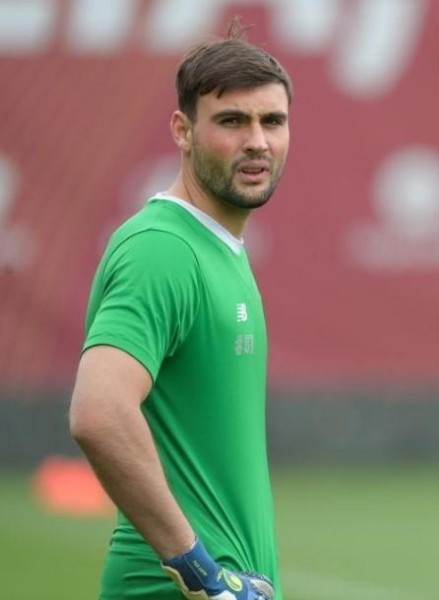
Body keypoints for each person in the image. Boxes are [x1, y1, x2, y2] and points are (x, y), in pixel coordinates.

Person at [69, 21, 291, 600]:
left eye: (273, 121)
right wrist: (200, 573)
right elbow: (99, 412)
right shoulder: (163, 250)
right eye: (231, 121)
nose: (257, 142)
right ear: (183, 130)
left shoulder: (217, 246)